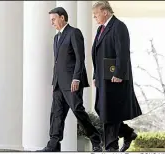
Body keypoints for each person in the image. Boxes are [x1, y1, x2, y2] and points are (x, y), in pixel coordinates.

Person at [37, 7, 102, 152]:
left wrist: (76, 79)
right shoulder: (56, 37)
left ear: (62, 17)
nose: (52, 23)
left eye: (53, 19)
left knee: (78, 110)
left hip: (72, 82)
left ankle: (96, 139)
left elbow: (80, 58)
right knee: (56, 113)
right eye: (50, 20)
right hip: (58, 82)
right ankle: (53, 145)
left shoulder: (74, 32)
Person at [91, 1, 142, 152]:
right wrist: (95, 75)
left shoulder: (119, 26)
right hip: (102, 78)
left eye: (96, 14)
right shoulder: (101, 29)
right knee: (102, 110)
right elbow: (97, 55)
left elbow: (123, 52)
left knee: (110, 112)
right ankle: (127, 133)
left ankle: (111, 148)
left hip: (115, 78)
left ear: (105, 12)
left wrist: (119, 73)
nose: (94, 17)